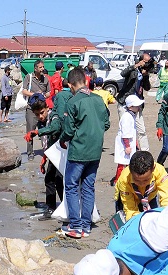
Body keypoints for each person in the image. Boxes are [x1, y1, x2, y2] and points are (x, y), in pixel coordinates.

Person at [58, 67, 110, 239]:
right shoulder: (98, 100)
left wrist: (63, 140)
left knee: (72, 186)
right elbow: (106, 124)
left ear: (72, 85)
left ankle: (76, 226)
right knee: (88, 186)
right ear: (86, 81)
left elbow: (69, 130)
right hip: (96, 151)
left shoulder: (73, 102)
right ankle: (86, 226)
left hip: (79, 150)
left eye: (70, 87)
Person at [25, 95, 64, 218]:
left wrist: (37, 132)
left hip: (62, 154)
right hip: (52, 154)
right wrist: (44, 159)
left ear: (47, 107)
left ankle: (65, 206)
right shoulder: (41, 122)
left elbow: (54, 128)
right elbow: (46, 142)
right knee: (49, 179)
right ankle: (51, 207)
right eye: (37, 115)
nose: (40, 116)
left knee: (59, 180)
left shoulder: (54, 117)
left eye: (42, 113)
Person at [114, 150, 168, 222]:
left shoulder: (160, 172)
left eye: (146, 180)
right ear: (130, 171)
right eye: (136, 180)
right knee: (127, 223)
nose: (141, 184)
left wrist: (167, 216)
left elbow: (167, 198)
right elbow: (130, 209)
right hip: (127, 198)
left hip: (150, 196)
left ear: (153, 169)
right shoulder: (124, 179)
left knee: (154, 220)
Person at [21, 60, 52, 159]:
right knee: (30, 130)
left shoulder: (45, 79)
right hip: (31, 109)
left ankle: (47, 151)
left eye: (43, 67)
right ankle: (30, 153)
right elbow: (24, 91)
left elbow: (49, 92)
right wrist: (34, 94)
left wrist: (43, 95)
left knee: (45, 131)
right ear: (35, 68)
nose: (42, 69)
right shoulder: (28, 78)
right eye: (40, 67)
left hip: (42, 109)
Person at [112, 95, 143, 185]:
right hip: (125, 144)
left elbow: (132, 132)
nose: (138, 107)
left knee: (129, 163)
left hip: (129, 142)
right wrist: (127, 146)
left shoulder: (131, 116)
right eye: (136, 106)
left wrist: (136, 143)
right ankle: (117, 181)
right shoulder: (126, 117)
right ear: (130, 107)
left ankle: (127, 180)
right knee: (122, 163)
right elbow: (125, 133)